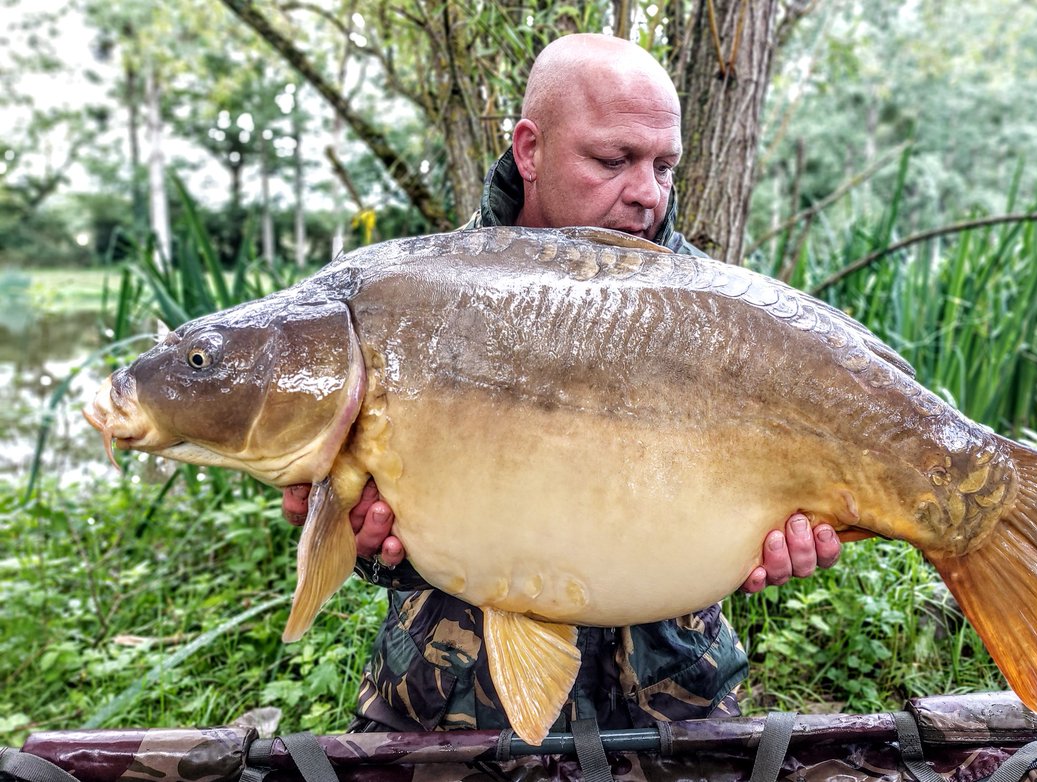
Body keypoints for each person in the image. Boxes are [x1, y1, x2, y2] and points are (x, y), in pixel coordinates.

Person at [282, 33, 842, 733]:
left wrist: (791, 536)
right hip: (453, 697)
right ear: (529, 150)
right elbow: (376, 530)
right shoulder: (418, 300)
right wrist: (368, 545)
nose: (646, 194)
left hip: (673, 696)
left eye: (664, 166)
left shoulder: (727, 315)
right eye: (613, 160)